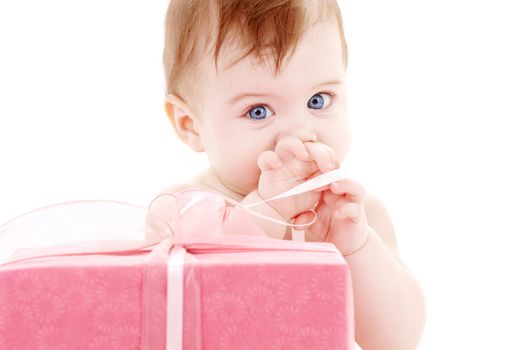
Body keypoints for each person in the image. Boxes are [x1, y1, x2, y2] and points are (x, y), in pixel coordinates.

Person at [155, 0, 426, 349]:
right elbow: (196, 306)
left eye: (318, 100)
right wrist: (268, 210)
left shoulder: (357, 215)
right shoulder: (180, 211)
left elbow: (397, 340)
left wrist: (356, 247)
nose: (300, 134)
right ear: (189, 124)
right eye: (258, 111)